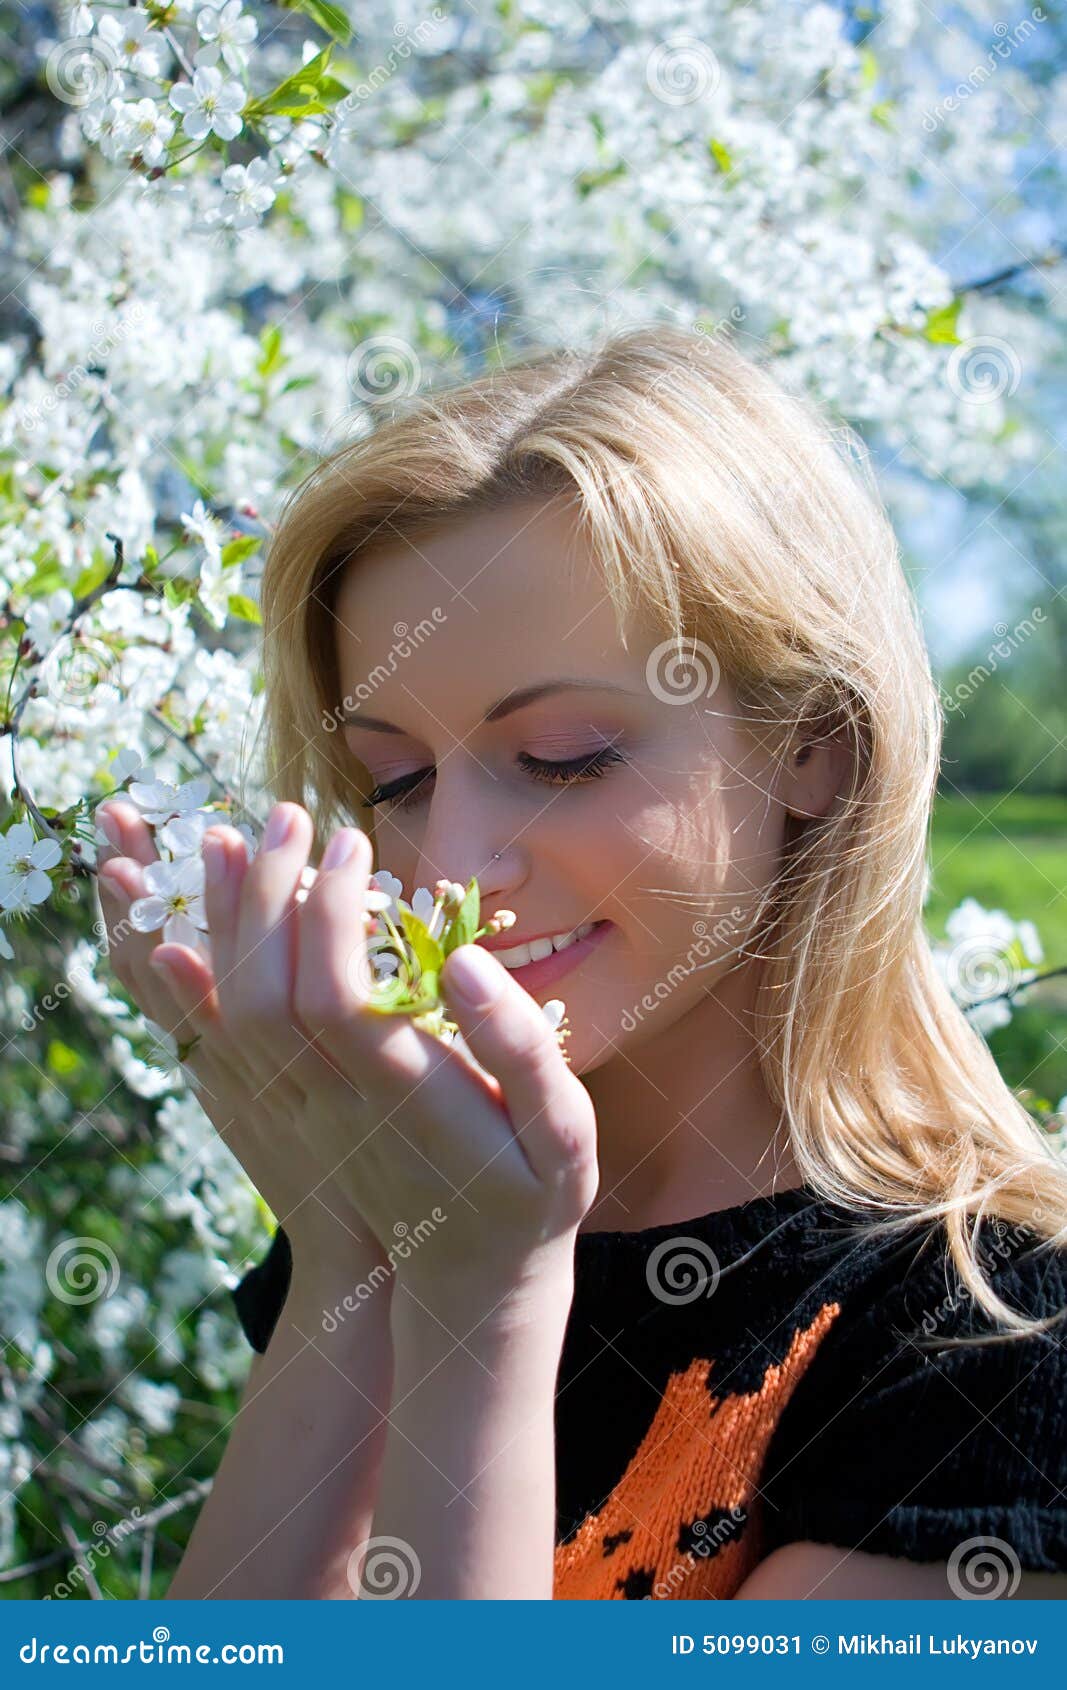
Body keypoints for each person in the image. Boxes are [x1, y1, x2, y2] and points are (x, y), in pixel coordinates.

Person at [96, 323, 1067, 1600]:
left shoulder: (994, 1337)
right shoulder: (414, 1201)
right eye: (393, 778)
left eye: (561, 755)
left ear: (812, 746)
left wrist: (479, 1301)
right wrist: (348, 1248)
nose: (448, 861)